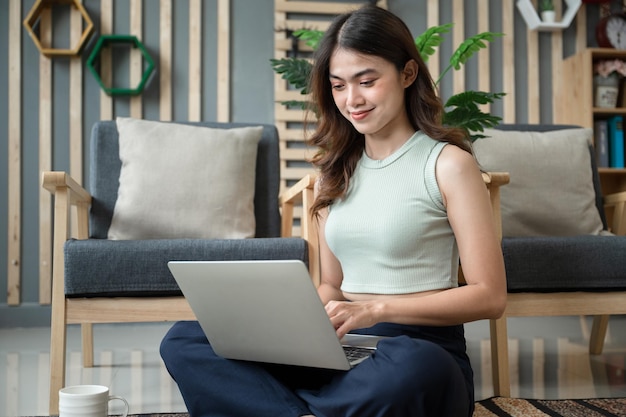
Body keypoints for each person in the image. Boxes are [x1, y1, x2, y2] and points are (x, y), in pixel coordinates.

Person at [160, 5, 506, 417]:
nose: (351, 100)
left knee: (418, 370)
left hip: (414, 350)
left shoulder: (448, 164)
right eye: (339, 85)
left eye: (367, 81)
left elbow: (490, 296)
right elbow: (332, 286)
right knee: (185, 339)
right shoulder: (332, 174)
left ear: (408, 74)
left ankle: (280, 408)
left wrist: (376, 309)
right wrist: (298, 324)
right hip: (340, 347)